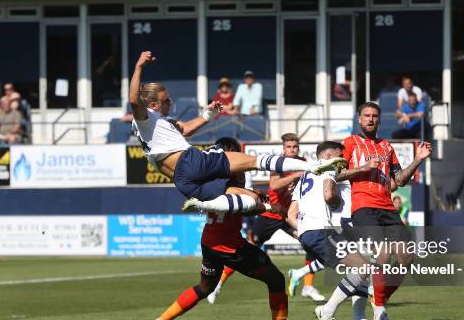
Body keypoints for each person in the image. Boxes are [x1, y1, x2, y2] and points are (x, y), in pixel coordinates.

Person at [129, 51, 346, 216]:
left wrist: (207, 115)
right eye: (166, 100)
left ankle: (208, 205)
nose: (171, 101)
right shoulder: (145, 118)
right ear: (152, 104)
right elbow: (133, 100)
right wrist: (139, 66)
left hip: (184, 182)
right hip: (191, 162)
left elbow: (185, 129)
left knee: (252, 200)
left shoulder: (156, 125)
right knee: (255, 161)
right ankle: (315, 166)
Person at [143, 137, 307, 320]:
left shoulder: (209, 181)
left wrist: (258, 198)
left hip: (210, 241)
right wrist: (265, 207)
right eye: (236, 154)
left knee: (205, 287)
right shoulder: (229, 181)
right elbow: (243, 205)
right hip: (228, 244)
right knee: (275, 280)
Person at [337, 101, 432, 320]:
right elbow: (336, 174)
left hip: (387, 207)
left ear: (379, 119)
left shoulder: (387, 147)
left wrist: (417, 160)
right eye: (366, 115)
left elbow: (399, 180)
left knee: (407, 257)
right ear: (359, 119)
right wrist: (362, 168)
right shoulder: (349, 143)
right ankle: (379, 312)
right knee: (382, 254)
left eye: (375, 116)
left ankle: (379, 298)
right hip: (363, 206)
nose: (371, 119)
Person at [286, 141, 389, 320]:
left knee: (362, 266)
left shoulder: (305, 176)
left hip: (310, 232)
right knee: (363, 267)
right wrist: (336, 201)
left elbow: (291, 213)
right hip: (323, 230)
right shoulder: (328, 169)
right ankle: (328, 310)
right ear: (327, 156)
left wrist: (303, 232)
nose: (342, 160)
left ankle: (359, 319)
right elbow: (329, 194)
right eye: (339, 156)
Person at [208, 133, 314, 304]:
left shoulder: (303, 163)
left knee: (310, 239)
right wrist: (296, 175)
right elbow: (274, 185)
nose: (292, 149)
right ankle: (218, 284)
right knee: (248, 248)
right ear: (284, 148)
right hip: (271, 213)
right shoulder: (279, 163)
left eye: (295, 146)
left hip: (288, 214)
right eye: (289, 146)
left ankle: (308, 285)